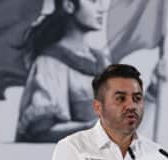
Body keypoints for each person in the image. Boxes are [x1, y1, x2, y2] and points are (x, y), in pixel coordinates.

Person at [15, 0, 110, 142]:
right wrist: (93, 128)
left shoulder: (102, 61)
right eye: (93, 1)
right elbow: (42, 130)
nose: (102, 9)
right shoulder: (50, 63)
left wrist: (152, 90)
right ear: (69, 5)